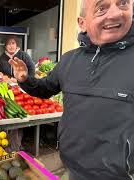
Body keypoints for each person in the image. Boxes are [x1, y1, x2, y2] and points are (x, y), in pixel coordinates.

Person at [9, 0, 134, 179]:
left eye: (123, 3)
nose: (115, 14)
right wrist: (25, 79)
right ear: (82, 23)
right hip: (71, 167)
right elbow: (44, 88)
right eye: (101, 8)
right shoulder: (69, 61)